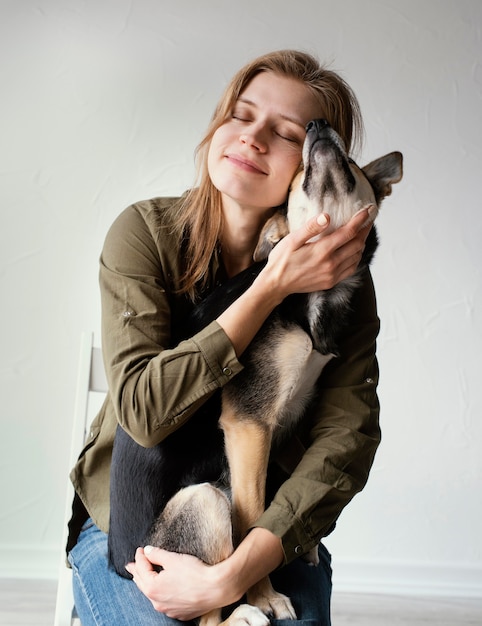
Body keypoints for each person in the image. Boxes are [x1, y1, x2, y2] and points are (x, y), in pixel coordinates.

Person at [66, 49, 381, 625]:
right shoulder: (144, 234)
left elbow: (347, 439)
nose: (253, 138)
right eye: (240, 114)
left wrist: (238, 572)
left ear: (317, 164)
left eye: (287, 132)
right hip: (134, 533)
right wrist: (270, 285)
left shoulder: (341, 281)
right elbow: (142, 412)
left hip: (267, 527)